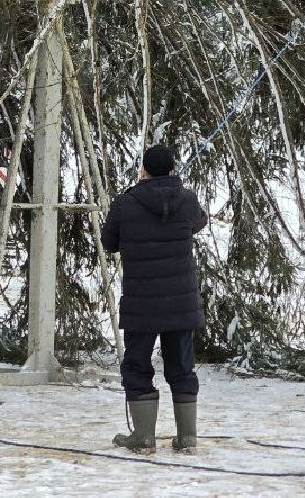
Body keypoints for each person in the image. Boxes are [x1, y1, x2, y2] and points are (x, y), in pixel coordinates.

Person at [102, 143, 209, 454]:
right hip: (180, 303)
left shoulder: (126, 203)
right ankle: (187, 437)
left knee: (136, 366)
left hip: (141, 303)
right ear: (173, 169)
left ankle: (143, 437)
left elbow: (110, 242)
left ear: (143, 170)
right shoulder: (188, 199)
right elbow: (200, 222)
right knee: (182, 367)